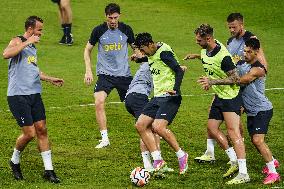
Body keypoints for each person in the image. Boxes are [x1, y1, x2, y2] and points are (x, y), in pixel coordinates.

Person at [197, 38, 281, 185]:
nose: (245, 54)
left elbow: (238, 81)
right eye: (244, 50)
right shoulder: (243, 64)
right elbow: (224, 62)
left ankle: (274, 173)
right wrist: (198, 56)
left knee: (257, 140)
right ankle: (272, 161)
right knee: (256, 142)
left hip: (262, 109)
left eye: (249, 52)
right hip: (250, 110)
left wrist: (212, 81)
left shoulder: (258, 70)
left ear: (256, 52)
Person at [193, 13, 269, 164]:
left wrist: (253, 76)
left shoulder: (252, 40)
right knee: (214, 118)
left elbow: (263, 66)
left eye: (234, 27)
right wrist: (198, 56)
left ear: (242, 24)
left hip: (243, 86)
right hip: (230, 84)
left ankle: (245, 159)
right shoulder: (230, 41)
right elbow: (224, 59)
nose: (232, 30)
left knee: (235, 127)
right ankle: (213, 152)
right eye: (229, 27)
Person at [184, 24, 249, 184]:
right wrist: (195, 56)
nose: (197, 42)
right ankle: (233, 160)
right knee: (212, 128)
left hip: (230, 97)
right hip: (219, 96)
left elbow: (235, 79)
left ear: (208, 39)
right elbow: (207, 56)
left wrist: (212, 81)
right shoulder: (207, 48)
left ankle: (243, 173)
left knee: (234, 133)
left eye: (199, 40)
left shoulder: (224, 56)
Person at [2, 16, 64, 183]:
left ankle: (49, 170)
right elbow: (6, 54)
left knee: (42, 129)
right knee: (29, 134)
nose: (41, 33)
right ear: (30, 30)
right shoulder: (17, 40)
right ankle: (14, 161)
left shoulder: (33, 49)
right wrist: (27, 42)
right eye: (39, 30)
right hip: (18, 95)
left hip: (34, 94)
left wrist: (50, 78)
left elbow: (34, 70)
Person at [132, 32, 188, 175]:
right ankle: (158, 160)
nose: (143, 53)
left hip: (170, 96)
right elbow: (152, 59)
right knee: (140, 125)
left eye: (143, 49)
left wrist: (175, 89)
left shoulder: (164, 53)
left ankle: (181, 155)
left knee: (158, 127)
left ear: (151, 44)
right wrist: (139, 59)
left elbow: (179, 70)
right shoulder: (152, 52)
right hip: (158, 97)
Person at [84, 3, 135, 148]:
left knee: (134, 105)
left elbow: (136, 49)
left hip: (124, 75)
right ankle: (104, 138)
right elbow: (87, 50)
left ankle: (151, 129)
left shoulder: (126, 29)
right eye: (110, 18)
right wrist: (88, 70)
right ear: (105, 16)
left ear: (120, 16)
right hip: (105, 75)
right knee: (99, 101)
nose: (113, 21)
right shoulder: (98, 31)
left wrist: (137, 56)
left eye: (115, 17)